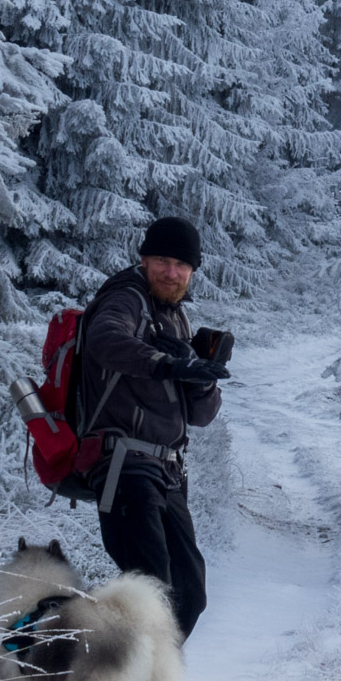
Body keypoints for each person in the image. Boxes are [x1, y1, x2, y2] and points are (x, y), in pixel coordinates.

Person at [77, 216, 229, 640]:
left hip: (167, 472)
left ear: (193, 271)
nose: (171, 271)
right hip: (123, 463)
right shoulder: (125, 298)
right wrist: (163, 363)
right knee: (152, 590)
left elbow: (200, 416)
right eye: (162, 259)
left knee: (189, 597)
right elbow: (105, 339)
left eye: (182, 265)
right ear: (143, 258)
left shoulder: (174, 317)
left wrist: (201, 377)